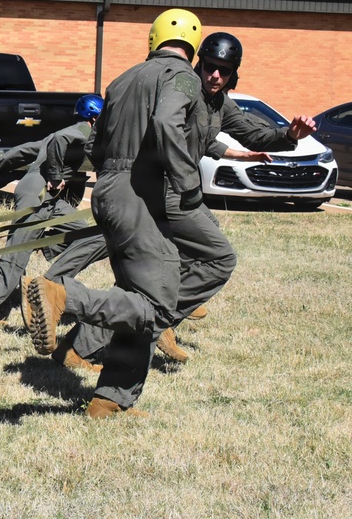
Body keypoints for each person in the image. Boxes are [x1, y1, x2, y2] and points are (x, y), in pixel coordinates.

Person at [40, 32, 319, 374]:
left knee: (141, 282)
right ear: (199, 63)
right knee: (218, 258)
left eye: (225, 71)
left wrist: (289, 136)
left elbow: (250, 132)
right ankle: (157, 319)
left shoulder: (219, 102)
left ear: (233, 74)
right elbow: (156, 128)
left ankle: (80, 344)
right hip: (166, 194)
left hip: (172, 193)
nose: (215, 76)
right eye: (211, 67)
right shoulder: (182, 86)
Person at [24, 8, 206, 419]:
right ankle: (63, 295)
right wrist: (187, 184)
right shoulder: (183, 77)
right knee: (157, 309)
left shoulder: (122, 79)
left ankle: (111, 400)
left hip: (108, 188)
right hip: (140, 194)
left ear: (153, 39)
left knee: (133, 298)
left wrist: (113, 175)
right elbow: (165, 121)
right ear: (193, 47)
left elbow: (94, 146)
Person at [0, 94, 105, 326]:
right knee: (16, 255)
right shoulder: (81, 131)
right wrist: (56, 176)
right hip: (37, 194)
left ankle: (45, 247)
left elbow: (21, 151)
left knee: (83, 233)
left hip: (47, 198)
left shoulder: (71, 134)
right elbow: (60, 139)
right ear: (95, 117)